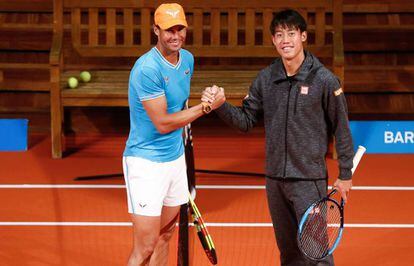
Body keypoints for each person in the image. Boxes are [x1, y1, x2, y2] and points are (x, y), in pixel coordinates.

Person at [202, 9, 354, 266]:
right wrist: (221, 106)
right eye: (280, 35)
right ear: (273, 40)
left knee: (316, 254)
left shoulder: (324, 80)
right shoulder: (266, 79)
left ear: (303, 36)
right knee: (289, 253)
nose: (286, 40)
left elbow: (341, 127)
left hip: (309, 180)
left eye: (292, 33)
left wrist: (346, 173)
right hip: (275, 181)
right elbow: (246, 121)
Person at [122, 3, 212, 265]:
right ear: (156, 30)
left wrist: (206, 97)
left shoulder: (188, 60)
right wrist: (205, 107)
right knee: (145, 245)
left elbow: (180, 105)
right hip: (145, 163)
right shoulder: (146, 69)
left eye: (180, 29)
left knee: (166, 234)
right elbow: (162, 122)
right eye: (169, 30)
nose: (176, 36)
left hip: (174, 161)